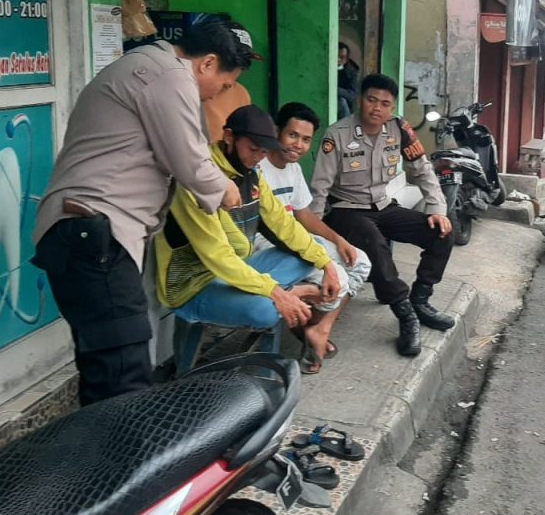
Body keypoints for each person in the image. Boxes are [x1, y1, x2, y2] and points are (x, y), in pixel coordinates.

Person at [32, 20, 254, 406]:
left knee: (108, 370)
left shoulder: (152, 68)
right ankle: (125, 461)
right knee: (125, 375)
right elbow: (190, 159)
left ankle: (98, 460)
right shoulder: (168, 76)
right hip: (92, 232)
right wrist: (227, 190)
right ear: (207, 63)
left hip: (89, 234)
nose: (221, 93)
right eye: (225, 83)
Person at [154, 105, 344, 373]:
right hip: (194, 286)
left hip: (238, 269)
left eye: (263, 152)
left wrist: (327, 265)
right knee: (266, 311)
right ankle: (286, 296)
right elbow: (218, 256)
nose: (257, 158)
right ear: (229, 137)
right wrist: (275, 292)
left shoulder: (252, 173)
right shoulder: (199, 178)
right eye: (253, 149)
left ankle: (283, 294)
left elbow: (282, 223)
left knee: (313, 252)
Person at [310, 73, 454, 357]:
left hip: (383, 205)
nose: (377, 108)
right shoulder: (336, 135)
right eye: (371, 100)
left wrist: (437, 209)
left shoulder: (399, 129)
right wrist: (312, 236)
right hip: (345, 210)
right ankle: (405, 315)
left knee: (441, 232)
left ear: (393, 107)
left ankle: (421, 300)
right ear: (359, 100)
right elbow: (320, 189)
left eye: (385, 103)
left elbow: (422, 170)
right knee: (373, 242)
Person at [256, 102, 373, 369]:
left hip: (297, 239)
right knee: (337, 280)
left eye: (306, 139)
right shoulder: (259, 165)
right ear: (277, 131)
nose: (298, 144)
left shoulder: (293, 169)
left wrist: (339, 241)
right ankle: (305, 329)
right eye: (292, 135)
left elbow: (304, 216)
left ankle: (319, 329)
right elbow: (274, 227)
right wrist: (322, 256)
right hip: (268, 244)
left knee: (360, 261)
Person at [337, 43, 360, 118]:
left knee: (342, 101)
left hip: (345, 107)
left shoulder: (351, 71)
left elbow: (352, 95)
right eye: (336, 56)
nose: (338, 59)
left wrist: (336, 90)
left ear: (346, 59)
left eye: (342, 57)